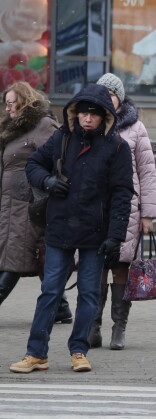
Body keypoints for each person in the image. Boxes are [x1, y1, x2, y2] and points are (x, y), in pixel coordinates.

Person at [9, 83, 134, 374]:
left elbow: (122, 195)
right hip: (60, 227)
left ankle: (79, 350)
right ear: (74, 114)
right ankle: (36, 353)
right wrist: (47, 181)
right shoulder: (62, 138)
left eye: (94, 113)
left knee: (89, 295)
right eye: (82, 113)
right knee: (49, 292)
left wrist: (116, 236)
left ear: (105, 117)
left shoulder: (117, 147)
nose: (87, 118)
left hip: (95, 232)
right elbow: (34, 165)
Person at [88, 73, 156, 350]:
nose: (107, 98)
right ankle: (93, 327)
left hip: (128, 208)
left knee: (121, 268)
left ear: (120, 97)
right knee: (96, 270)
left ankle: (119, 328)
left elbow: (147, 172)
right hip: (96, 208)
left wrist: (147, 215)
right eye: (102, 93)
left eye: (111, 93)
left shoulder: (135, 128)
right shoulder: (91, 122)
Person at [0, 81, 73, 323]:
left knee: (16, 257)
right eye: (6, 103)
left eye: (11, 102)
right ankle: (61, 308)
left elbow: (58, 159)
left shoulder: (42, 124)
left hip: (28, 202)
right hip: (10, 203)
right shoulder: (14, 127)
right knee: (11, 254)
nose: (8, 108)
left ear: (23, 101)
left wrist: (47, 185)